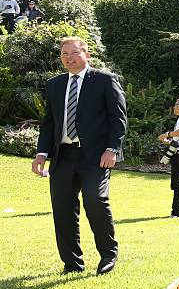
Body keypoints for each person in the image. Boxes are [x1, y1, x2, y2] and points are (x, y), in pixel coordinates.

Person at [31, 36, 127, 275]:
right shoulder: (54, 84)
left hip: (95, 157)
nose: (69, 58)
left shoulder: (105, 80)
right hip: (62, 157)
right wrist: (42, 153)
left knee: (95, 201)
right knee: (62, 209)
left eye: (74, 53)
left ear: (87, 55)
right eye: (64, 54)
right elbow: (49, 123)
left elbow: (119, 119)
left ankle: (108, 255)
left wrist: (112, 149)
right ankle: (72, 263)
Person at [158, 97, 179, 218]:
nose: (174, 107)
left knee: (178, 184)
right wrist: (166, 140)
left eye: (176, 104)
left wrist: (167, 134)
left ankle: (177, 212)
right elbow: (178, 138)